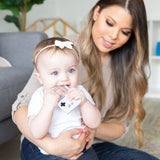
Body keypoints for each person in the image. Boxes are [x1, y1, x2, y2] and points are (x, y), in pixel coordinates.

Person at [12, 0, 159, 159]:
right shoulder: (63, 50)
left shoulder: (127, 68)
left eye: (125, 32)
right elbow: (21, 108)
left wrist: (91, 128)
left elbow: (120, 126)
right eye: (109, 23)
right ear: (96, 13)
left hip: (90, 144)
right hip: (42, 143)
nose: (113, 35)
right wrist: (51, 145)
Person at [27, 37, 100, 159]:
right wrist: (47, 107)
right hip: (51, 153)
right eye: (55, 73)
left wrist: (85, 103)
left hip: (81, 150)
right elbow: (36, 133)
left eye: (71, 70)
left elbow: (95, 122)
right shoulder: (39, 97)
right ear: (39, 78)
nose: (64, 78)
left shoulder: (80, 92)